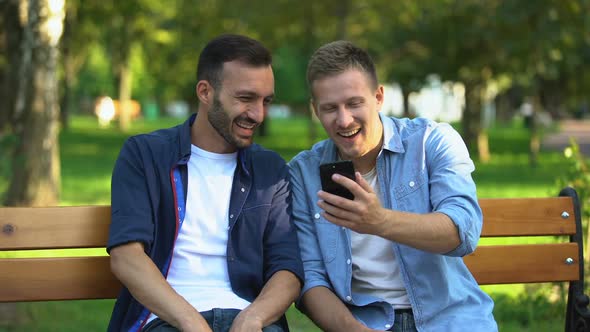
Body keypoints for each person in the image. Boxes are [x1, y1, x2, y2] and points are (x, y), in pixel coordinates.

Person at [289, 40, 497, 332]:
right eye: (329, 108)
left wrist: (379, 221)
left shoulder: (431, 142)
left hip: (450, 320)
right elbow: (311, 278)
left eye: (354, 103)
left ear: (378, 97)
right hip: (364, 322)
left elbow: (463, 231)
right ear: (315, 109)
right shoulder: (303, 172)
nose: (344, 119)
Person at [106, 34, 304, 332]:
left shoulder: (270, 170)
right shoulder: (146, 155)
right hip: (168, 320)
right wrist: (191, 322)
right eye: (245, 98)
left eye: (266, 101)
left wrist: (255, 317)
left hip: (248, 320)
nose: (259, 114)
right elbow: (126, 257)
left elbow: (288, 267)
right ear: (205, 92)